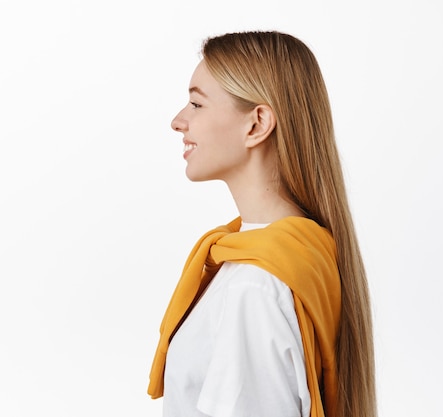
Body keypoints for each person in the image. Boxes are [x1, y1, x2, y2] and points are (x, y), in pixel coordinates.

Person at [147, 31, 376, 417]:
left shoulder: (254, 285)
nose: (178, 121)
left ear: (256, 124)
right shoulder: (305, 252)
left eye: (196, 103)